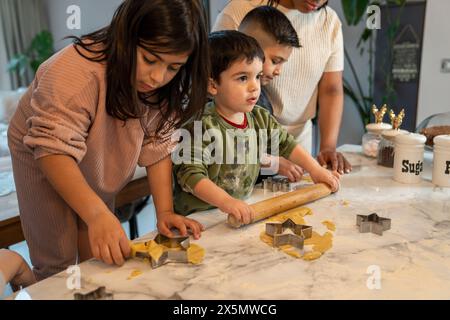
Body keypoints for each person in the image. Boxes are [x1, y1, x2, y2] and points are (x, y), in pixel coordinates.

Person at [7, 0, 209, 281]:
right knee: (58, 258)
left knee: (98, 251)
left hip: (98, 141)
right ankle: (15, 263)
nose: (158, 77)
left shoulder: (163, 84)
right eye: (150, 60)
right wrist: (97, 215)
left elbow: (157, 145)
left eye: (173, 67)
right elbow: (53, 151)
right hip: (43, 152)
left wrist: (164, 211)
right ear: (126, 37)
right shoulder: (74, 72)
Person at [173, 30, 340, 222]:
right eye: (243, 78)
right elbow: (191, 175)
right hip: (200, 219)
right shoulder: (198, 126)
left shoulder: (259, 117)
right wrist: (227, 202)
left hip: (237, 210)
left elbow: (287, 144)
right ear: (213, 85)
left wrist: (316, 170)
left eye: (258, 76)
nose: (255, 87)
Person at [213, 0, 352, 175]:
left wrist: (327, 148)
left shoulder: (329, 22)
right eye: (275, 61)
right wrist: (269, 161)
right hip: (241, 147)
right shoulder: (239, 11)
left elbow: (331, 89)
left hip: (296, 142)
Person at [238, 5, 305, 181]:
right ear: (252, 47)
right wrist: (271, 162)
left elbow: (278, 142)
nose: (278, 71)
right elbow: (224, 145)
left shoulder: (262, 97)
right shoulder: (219, 96)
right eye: (275, 61)